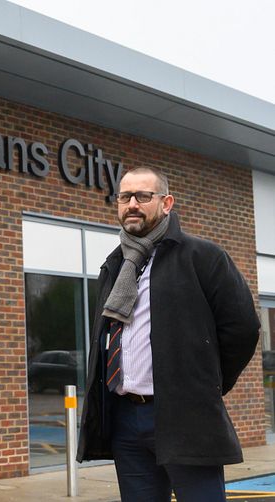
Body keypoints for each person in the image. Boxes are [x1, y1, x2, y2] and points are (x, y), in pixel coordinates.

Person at [77, 166, 260, 501]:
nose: (132, 204)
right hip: (126, 420)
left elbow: (243, 329)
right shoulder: (115, 264)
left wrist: (207, 383)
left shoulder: (203, 257)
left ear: (166, 203)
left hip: (185, 418)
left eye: (142, 196)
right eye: (124, 196)